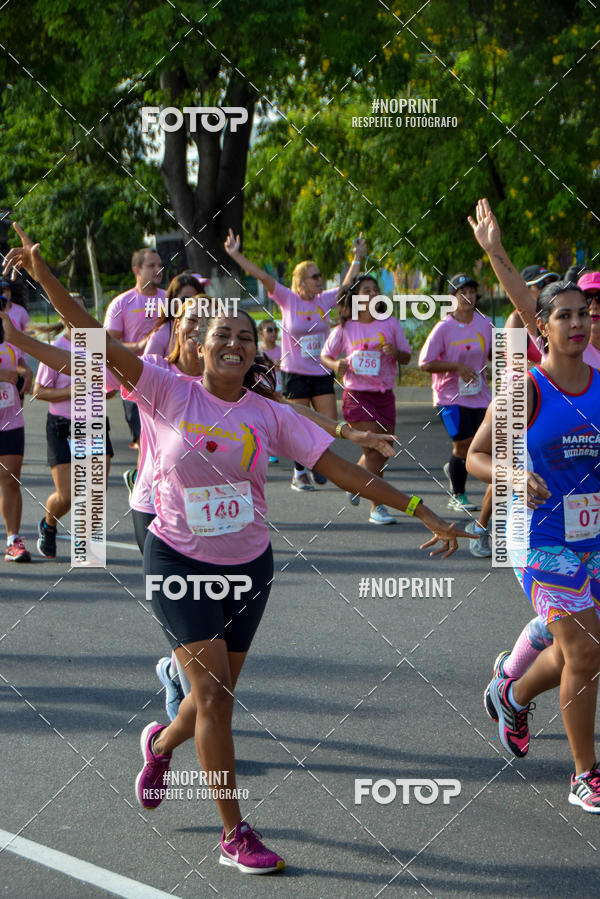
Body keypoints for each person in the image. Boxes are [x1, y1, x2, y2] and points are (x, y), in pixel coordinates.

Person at [4, 223, 468, 873]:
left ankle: (159, 745)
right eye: (222, 333)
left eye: (245, 337)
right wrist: (44, 275)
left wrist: (422, 509)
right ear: (199, 345)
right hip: (177, 557)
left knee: (208, 700)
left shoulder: (268, 413)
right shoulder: (166, 388)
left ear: (255, 352)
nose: (233, 342)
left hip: (250, 565)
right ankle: (235, 832)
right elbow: (92, 339)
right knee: (217, 696)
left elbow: (342, 470)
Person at [467, 198, 600, 812]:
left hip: (593, 535)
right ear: (541, 326)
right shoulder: (527, 389)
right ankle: (584, 774)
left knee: (584, 650)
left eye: (584, 315)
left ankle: (513, 694)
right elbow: (477, 457)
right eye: (564, 315)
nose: (577, 323)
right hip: (540, 537)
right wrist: (513, 477)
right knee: (584, 650)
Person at [224, 228, 366, 490]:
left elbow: (347, 285)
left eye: (321, 276)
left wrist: (358, 257)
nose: (320, 280)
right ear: (301, 282)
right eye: (315, 276)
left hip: (321, 371)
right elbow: (262, 276)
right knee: (298, 422)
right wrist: (235, 254)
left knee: (328, 422)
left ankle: (313, 462)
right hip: (296, 372)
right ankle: (299, 471)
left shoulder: (324, 300)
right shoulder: (288, 298)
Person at [0, 300, 115, 559]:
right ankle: (49, 523)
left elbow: (110, 382)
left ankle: (85, 544)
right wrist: (71, 392)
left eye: (80, 310)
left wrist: (108, 390)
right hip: (64, 426)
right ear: (62, 316)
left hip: (93, 424)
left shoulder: (98, 346)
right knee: (68, 494)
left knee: (96, 489)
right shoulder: (56, 349)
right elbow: (39, 391)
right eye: (69, 310)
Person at [321, 277, 410, 524]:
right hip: (357, 395)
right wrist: (336, 365)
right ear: (356, 298)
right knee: (373, 449)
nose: (372, 294)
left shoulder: (390, 323)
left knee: (383, 451)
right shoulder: (346, 328)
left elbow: (406, 357)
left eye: (375, 290)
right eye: (366, 290)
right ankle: (377, 506)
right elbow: (325, 355)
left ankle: (356, 481)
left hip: (384, 395)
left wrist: (395, 352)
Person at [418, 273, 493, 513]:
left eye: (472, 291)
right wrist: (457, 367)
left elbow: (495, 353)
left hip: (480, 396)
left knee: (483, 445)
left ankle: (454, 469)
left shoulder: (485, 323)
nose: (468, 296)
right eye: (463, 293)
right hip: (449, 397)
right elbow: (425, 363)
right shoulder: (444, 327)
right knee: (462, 445)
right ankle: (457, 495)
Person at [104, 248, 165, 462]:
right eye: (152, 266)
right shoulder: (121, 303)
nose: (158, 270)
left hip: (167, 381)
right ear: (136, 270)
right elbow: (108, 344)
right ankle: (142, 479)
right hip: (134, 381)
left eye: (160, 265)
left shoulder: (171, 300)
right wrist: (139, 345)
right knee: (143, 441)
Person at [0, 311, 30, 561]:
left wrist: (25, 373)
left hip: (10, 420)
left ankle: (13, 540)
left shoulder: (8, 337)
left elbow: (21, 363)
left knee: (10, 479)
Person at [143, 272, 205, 359]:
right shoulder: (160, 335)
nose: (191, 305)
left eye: (196, 300)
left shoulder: (209, 329)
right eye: (185, 300)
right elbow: (147, 365)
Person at [257, 319, 281, 463]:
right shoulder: (258, 351)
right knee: (265, 421)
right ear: (261, 333)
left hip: (279, 389)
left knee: (276, 421)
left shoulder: (282, 350)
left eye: (275, 330)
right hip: (262, 390)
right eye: (269, 330)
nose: (273, 333)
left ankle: (273, 448)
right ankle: (266, 449)